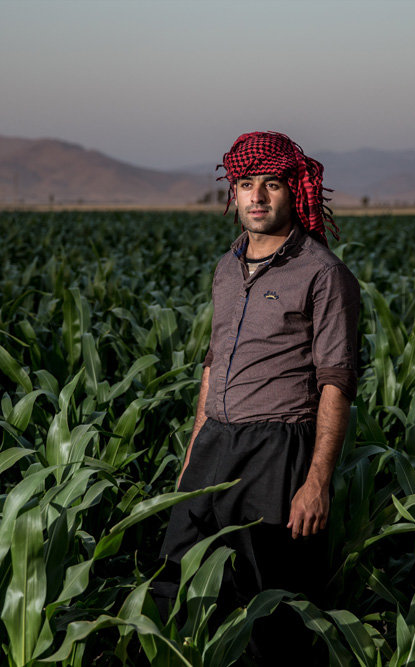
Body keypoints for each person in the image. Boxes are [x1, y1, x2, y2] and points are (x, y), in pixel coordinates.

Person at [155, 131, 361, 663]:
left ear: (295, 192)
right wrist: (191, 457)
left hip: (279, 451)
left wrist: (317, 482)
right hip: (216, 445)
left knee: (269, 609)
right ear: (234, 191)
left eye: (272, 184)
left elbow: (336, 383)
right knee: (178, 582)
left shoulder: (323, 273)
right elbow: (212, 367)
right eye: (246, 184)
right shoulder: (227, 267)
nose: (257, 196)